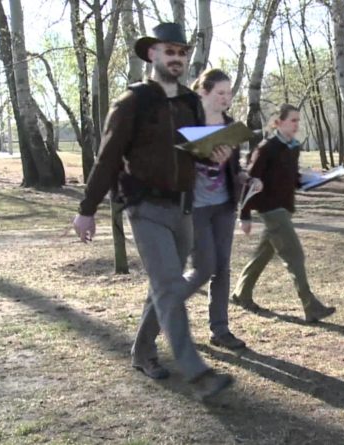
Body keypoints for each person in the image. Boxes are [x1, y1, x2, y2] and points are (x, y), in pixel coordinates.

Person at [71, 23, 232, 400]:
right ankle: (198, 374)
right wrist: (87, 209)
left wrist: (214, 154)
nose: (177, 58)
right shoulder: (133, 101)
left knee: (166, 286)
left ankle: (142, 350)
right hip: (145, 207)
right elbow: (108, 157)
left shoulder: (191, 102)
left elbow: (192, 152)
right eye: (169, 51)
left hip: (183, 208)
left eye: (181, 52)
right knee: (170, 286)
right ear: (152, 54)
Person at [231, 104, 336, 323]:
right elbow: (250, 181)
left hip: (285, 208)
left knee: (263, 254)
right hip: (271, 209)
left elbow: (293, 178)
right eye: (292, 120)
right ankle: (311, 306)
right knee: (294, 255)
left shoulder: (293, 147)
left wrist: (317, 179)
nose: (297, 124)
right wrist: (244, 214)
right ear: (278, 123)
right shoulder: (266, 148)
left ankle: (242, 293)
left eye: (298, 120)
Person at [187, 68, 261, 350]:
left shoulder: (230, 126)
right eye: (220, 93)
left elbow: (233, 169)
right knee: (202, 269)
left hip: (223, 207)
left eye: (229, 93)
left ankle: (219, 330)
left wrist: (247, 179)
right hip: (194, 208)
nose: (226, 98)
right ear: (203, 92)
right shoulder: (188, 123)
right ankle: (163, 313)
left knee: (222, 269)